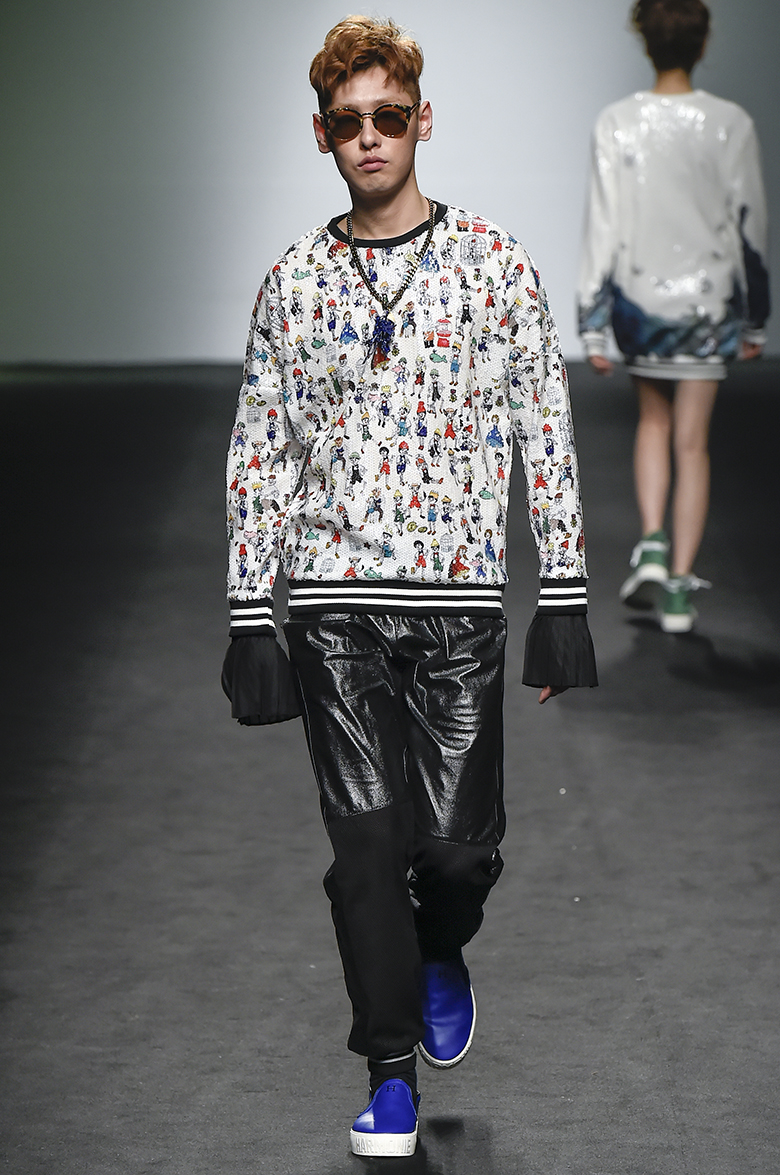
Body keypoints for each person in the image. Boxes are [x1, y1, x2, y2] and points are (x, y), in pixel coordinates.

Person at [223, 15, 597, 1158]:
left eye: (390, 115)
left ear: (424, 120)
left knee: (455, 852)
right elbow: (260, 449)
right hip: (332, 600)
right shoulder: (294, 282)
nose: (371, 137)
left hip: (459, 602)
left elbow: (544, 423)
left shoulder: (494, 265)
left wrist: (564, 591)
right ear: (322, 135)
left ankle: (441, 947)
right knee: (366, 848)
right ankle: (389, 1072)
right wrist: (252, 610)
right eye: (350, 122)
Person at [578, 0, 769, 632]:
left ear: (644, 40)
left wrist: (592, 321)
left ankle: (654, 543)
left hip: (640, 305)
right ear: (703, 42)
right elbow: (750, 227)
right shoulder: (731, 123)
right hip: (708, 308)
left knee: (653, 425)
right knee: (693, 443)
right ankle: (680, 592)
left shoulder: (618, 122)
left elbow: (603, 225)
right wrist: (756, 319)